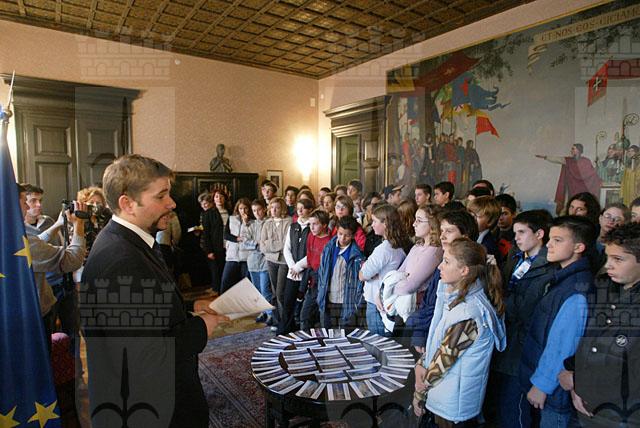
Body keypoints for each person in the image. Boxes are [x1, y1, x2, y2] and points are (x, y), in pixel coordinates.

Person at [81, 154, 228, 428]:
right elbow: (142, 356)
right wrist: (201, 327)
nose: (172, 203)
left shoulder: (130, 241)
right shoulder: (120, 260)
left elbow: (141, 310)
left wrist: (188, 308)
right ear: (127, 203)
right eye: (161, 196)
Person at [413, 238, 506, 426]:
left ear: (464, 271)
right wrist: (422, 363)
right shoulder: (460, 301)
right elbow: (438, 343)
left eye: (447, 262)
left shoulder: (468, 314)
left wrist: (419, 393)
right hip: (448, 400)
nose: (440, 266)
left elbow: (442, 364)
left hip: (451, 408)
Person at [558, 222, 640, 428]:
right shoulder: (606, 286)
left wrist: (579, 381)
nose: (608, 265)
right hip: (587, 403)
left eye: (618, 259)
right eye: (608, 257)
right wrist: (575, 375)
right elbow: (591, 339)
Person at [518, 216, 596, 428]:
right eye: (550, 239)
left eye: (558, 240)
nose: (549, 245)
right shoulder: (563, 278)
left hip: (555, 392)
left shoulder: (577, 288)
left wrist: (543, 384)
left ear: (579, 247)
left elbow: (563, 345)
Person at [494, 210, 555, 428]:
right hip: (507, 339)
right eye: (515, 233)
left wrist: (499, 297)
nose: (516, 238)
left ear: (539, 234)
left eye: (521, 232)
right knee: (503, 404)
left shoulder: (548, 268)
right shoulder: (516, 257)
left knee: (515, 408)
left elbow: (525, 309)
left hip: (523, 345)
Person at [19, 184, 87, 348]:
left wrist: (57, 225)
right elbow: (72, 259)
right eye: (25, 202)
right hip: (35, 313)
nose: (29, 207)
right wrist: (79, 224)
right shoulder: (22, 239)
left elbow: (36, 245)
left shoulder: (13, 235)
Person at [408, 209, 479, 353]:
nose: (442, 236)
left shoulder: (469, 272)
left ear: (465, 236)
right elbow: (429, 302)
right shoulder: (442, 264)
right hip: (430, 334)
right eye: (441, 230)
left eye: (449, 231)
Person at [359, 204, 408, 336]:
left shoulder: (383, 250)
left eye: (375, 221)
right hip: (386, 300)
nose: (372, 225)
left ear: (385, 223)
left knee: (377, 342)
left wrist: (366, 270)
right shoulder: (399, 245)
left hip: (376, 302)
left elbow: (362, 275)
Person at [316, 216, 365, 328]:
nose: (342, 238)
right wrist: (320, 294)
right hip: (327, 298)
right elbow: (322, 273)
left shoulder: (357, 255)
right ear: (336, 231)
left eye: (347, 235)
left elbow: (358, 283)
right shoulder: (328, 248)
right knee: (328, 332)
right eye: (340, 233)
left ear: (353, 235)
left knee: (344, 332)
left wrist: (355, 302)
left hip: (345, 301)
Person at [536, 144, 602, 214]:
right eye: (572, 149)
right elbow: (558, 159)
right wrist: (545, 157)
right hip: (572, 187)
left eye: (573, 149)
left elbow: (592, 172)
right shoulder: (569, 160)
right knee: (571, 203)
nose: (571, 151)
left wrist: (598, 180)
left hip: (583, 188)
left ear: (579, 150)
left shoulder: (586, 161)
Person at [280, 198, 313, 334]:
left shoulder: (312, 227)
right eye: (298, 208)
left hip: (305, 271)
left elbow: (313, 252)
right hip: (292, 272)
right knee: (288, 301)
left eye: (303, 208)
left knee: (303, 304)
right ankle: (285, 330)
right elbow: (286, 249)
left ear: (310, 210)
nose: (299, 210)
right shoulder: (293, 226)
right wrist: (292, 266)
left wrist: (298, 267)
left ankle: (303, 331)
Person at [260, 197, 292, 331]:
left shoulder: (289, 221)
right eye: (272, 207)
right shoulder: (267, 223)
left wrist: (270, 244)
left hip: (284, 260)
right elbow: (262, 245)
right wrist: (274, 246)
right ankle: (277, 320)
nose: (274, 210)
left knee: (280, 292)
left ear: (282, 209)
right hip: (271, 260)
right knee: (274, 292)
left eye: (277, 207)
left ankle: (285, 322)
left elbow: (285, 244)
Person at [297, 209, 332, 330]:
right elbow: (309, 257)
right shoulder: (311, 236)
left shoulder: (329, 242)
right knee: (304, 314)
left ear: (324, 225)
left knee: (323, 315)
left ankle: (326, 337)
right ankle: (306, 338)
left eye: (315, 224)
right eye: (310, 224)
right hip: (312, 279)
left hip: (323, 281)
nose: (312, 227)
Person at [245, 199, 273, 325]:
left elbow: (269, 242)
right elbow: (245, 241)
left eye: (259, 210)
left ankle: (271, 314)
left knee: (265, 289)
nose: (257, 213)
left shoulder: (269, 223)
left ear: (264, 209)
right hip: (252, 262)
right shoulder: (251, 225)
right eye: (254, 210)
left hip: (265, 261)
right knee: (257, 290)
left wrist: (261, 245)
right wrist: (257, 244)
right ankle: (263, 311)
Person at [220, 198, 254, 293]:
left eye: (245, 208)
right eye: (241, 208)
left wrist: (246, 223)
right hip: (232, 256)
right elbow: (226, 235)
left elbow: (251, 237)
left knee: (246, 284)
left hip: (246, 257)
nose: (243, 211)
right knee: (225, 282)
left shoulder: (253, 221)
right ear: (237, 209)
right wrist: (237, 239)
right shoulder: (231, 219)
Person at [199, 191, 224, 294]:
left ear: (211, 203)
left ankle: (216, 289)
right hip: (212, 246)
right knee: (214, 268)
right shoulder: (208, 213)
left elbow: (208, 233)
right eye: (202, 204)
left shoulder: (211, 213)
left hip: (215, 246)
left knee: (216, 268)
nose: (203, 206)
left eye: (205, 203)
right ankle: (215, 287)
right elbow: (206, 233)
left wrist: (209, 250)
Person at [494, 193, 517, 258]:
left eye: (504, 214)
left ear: (514, 214)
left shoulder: (518, 236)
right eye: (497, 213)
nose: (500, 218)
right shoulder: (491, 234)